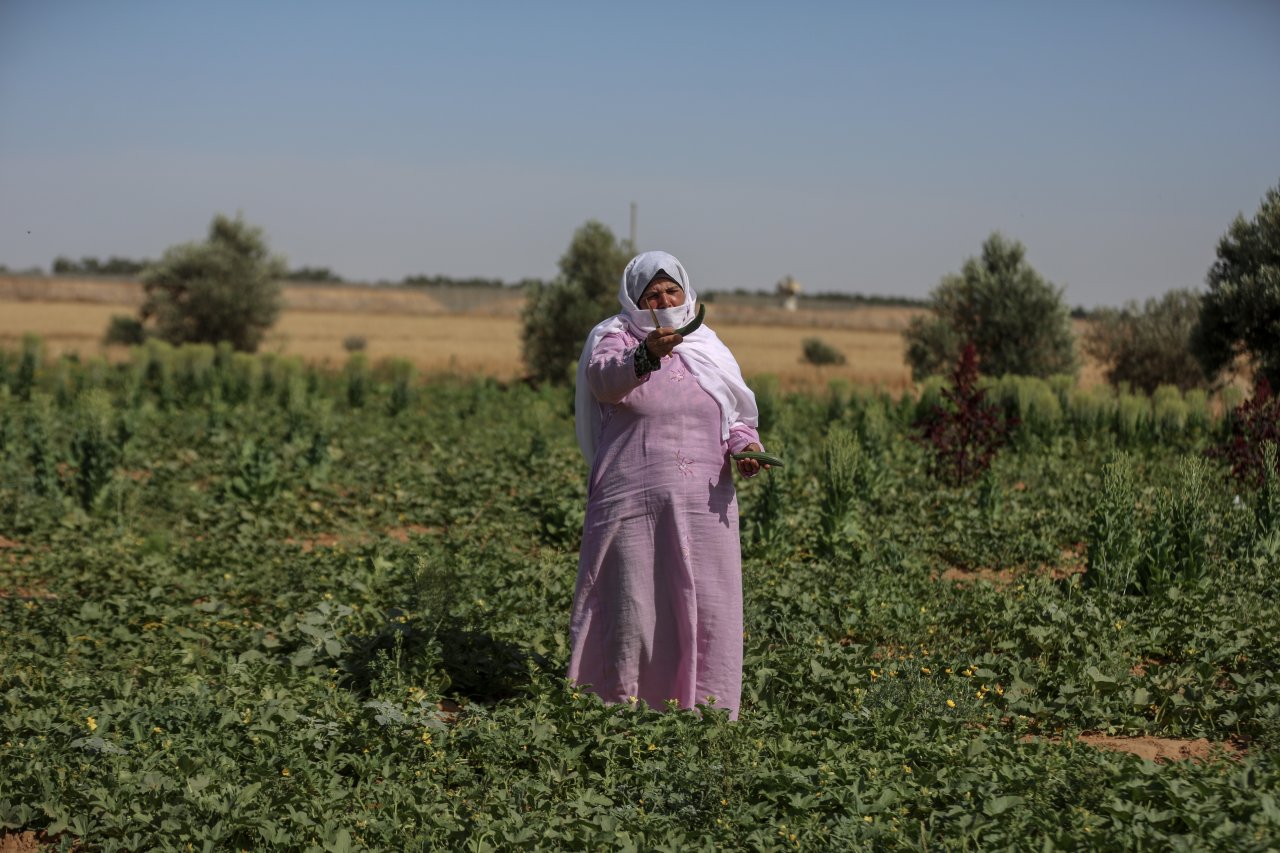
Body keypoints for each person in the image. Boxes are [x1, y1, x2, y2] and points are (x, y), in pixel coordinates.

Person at [567, 250, 766, 720]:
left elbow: (735, 415)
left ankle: (706, 710)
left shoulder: (708, 346)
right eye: (651, 295)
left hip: (705, 506)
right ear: (634, 301)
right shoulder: (614, 338)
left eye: (671, 291)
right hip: (631, 503)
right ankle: (619, 708)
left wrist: (746, 448)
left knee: (706, 603)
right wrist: (647, 354)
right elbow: (604, 382)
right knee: (634, 606)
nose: (663, 301)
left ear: (686, 292)